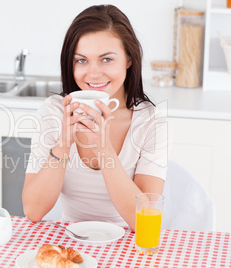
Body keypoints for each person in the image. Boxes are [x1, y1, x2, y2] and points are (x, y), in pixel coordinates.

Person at [22, 5, 170, 231]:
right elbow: (33, 210)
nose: (93, 73)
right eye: (81, 60)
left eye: (106, 59)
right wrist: (63, 145)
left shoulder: (151, 122)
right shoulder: (53, 113)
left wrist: (103, 149)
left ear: (129, 59)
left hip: (127, 245)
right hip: (70, 245)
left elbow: (143, 223)